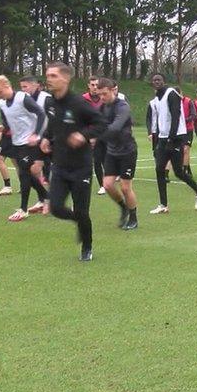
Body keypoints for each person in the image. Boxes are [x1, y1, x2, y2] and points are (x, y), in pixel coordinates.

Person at [39, 62, 107, 261]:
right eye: (47, 75)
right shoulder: (50, 103)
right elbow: (52, 126)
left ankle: (87, 246)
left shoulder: (78, 103)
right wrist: (45, 138)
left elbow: (101, 123)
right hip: (59, 165)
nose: (49, 79)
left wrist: (83, 135)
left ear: (65, 79)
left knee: (82, 210)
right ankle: (80, 221)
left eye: (53, 75)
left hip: (81, 167)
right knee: (56, 208)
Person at [0, 76, 47, 222]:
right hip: (16, 142)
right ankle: (46, 198)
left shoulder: (23, 98)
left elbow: (41, 113)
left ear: (7, 85)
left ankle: (23, 209)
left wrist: (36, 134)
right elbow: (8, 121)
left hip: (30, 143)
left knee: (23, 174)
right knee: (27, 173)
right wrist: (3, 128)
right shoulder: (2, 103)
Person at [148, 73, 197, 214]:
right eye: (154, 80)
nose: (156, 82)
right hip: (163, 138)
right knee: (159, 169)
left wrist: (171, 138)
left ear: (164, 81)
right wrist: (157, 140)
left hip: (176, 137)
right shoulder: (157, 99)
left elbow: (176, 116)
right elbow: (157, 121)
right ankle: (163, 205)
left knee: (178, 172)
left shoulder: (171, 94)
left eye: (159, 80)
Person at [97, 78, 139, 230]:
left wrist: (97, 135)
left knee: (125, 187)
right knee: (107, 185)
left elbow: (115, 128)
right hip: (112, 152)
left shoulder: (122, 106)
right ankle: (123, 207)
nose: (102, 97)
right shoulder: (102, 108)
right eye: (99, 94)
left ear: (112, 91)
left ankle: (133, 218)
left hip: (127, 151)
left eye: (104, 94)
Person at [19, 75, 53, 186]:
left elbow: (53, 118)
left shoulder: (46, 98)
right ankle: (41, 187)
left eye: (25, 87)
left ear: (35, 85)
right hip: (34, 136)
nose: (23, 90)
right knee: (32, 166)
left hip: (49, 135)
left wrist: (48, 135)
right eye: (22, 87)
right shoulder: (24, 99)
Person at [82, 75, 107, 194]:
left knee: (105, 159)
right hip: (88, 135)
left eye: (97, 85)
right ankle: (102, 185)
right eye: (92, 85)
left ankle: (107, 183)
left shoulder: (104, 99)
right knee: (95, 160)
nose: (95, 87)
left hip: (103, 134)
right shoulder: (83, 99)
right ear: (88, 86)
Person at [176, 86, 197, 180]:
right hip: (178, 130)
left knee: (186, 149)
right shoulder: (173, 102)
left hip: (188, 129)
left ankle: (184, 170)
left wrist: (184, 120)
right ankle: (188, 169)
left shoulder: (188, 101)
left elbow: (194, 115)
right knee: (179, 150)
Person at [0, 126, 15, 196]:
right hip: (13, 134)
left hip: (10, 134)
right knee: (15, 161)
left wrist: (2, 130)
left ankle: (7, 186)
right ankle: (24, 185)